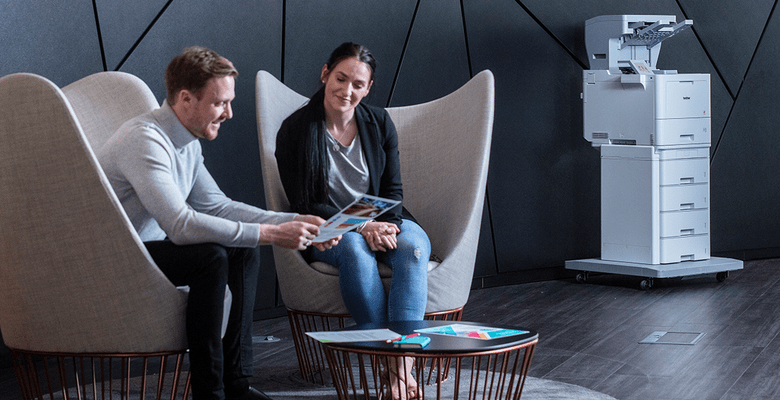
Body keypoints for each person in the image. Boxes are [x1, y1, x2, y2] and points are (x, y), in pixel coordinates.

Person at [97, 46, 338, 400]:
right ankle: (210, 393)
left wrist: (293, 221)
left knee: (242, 251)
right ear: (185, 99)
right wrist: (272, 233)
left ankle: (236, 384)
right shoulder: (144, 140)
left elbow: (218, 207)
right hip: (117, 260)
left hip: (147, 254)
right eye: (219, 103)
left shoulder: (186, 142)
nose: (228, 113)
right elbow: (180, 225)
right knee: (211, 258)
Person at [275, 42, 430, 400]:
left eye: (357, 84)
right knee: (356, 251)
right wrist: (362, 227)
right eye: (340, 79)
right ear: (325, 73)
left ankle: (399, 370)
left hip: (384, 217)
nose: (347, 91)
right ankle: (395, 371)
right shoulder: (294, 131)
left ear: (369, 88)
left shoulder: (379, 123)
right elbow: (305, 203)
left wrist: (379, 225)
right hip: (325, 228)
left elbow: (392, 191)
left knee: (414, 251)